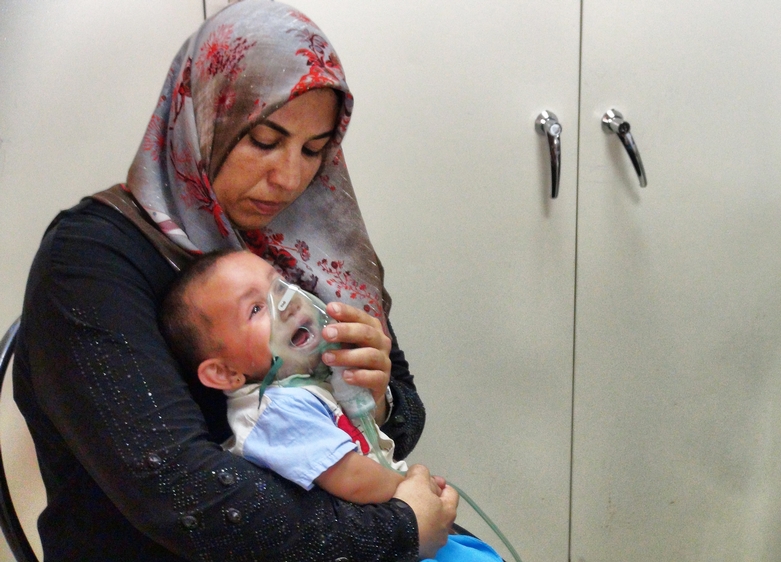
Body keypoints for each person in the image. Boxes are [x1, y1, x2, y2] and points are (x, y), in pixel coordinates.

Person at [13, 1, 457, 560]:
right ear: (203, 119)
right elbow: (182, 495)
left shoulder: (297, 245)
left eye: (314, 150)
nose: (290, 178)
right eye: (264, 141)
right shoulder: (87, 264)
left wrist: (374, 399)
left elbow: (405, 412)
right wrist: (397, 529)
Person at [159, 249, 502, 562]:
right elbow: (350, 478)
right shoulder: (275, 411)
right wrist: (413, 489)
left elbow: (369, 423)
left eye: (280, 284)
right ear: (225, 372)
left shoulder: (302, 383)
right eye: (256, 308)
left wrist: (373, 391)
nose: (288, 302)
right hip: (370, 537)